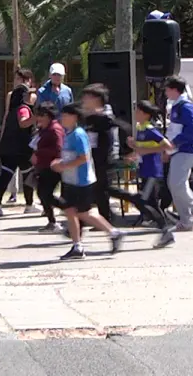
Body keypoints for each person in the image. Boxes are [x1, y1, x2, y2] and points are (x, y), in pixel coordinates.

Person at [54, 104, 123, 260]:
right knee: (73, 212)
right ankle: (79, 245)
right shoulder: (68, 134)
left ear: (74, 117)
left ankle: (112, 234)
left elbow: (83, 157)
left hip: (81, 181)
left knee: (81, 212)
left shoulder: (78, 134)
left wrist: (63, 165)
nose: (62, 118)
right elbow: (70, 156)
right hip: (70, 180)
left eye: (65, 115)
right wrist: (60, 163)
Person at [120, 100, 177, 247]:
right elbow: (142, 149)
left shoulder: (150, 129)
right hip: (144, 169)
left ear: (145, 114)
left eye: (138, 111)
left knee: (146, 202)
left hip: (153, 170)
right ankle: (166, 229)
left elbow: (167, 145)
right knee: (147, 202)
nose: (135, 114)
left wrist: (146, 151)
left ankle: (167, 229)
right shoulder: (141, 129)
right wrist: (133, 148)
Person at [162, 76, 193, 231]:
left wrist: (175, 142)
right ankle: (186, 220)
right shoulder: (177, 106)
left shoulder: (185, 106)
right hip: (179, 150)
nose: (165, 92)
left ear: (175, 89)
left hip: (186, 150)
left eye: (167, 88)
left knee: (177, 184)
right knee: (176, 184)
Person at [0, 69, 37, 216]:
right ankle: (29, 205)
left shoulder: (14, 105)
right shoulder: (23, 109)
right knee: (28, 174)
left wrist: (2, 138)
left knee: (5, 174)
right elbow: (23, 123)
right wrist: (36, 117)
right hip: (22, 146)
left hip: (9, 144)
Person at [80, 84, 121, 223]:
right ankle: (102, 218)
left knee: (103, 189)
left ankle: (106, 218)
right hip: (91, 157)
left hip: (104, 158)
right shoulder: (88, 116)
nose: (84, 99)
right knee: (97, 189)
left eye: (88, 97)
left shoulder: (104, 116)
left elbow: (114, 129)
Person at [32, 102, 66, 233]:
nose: (38, 118)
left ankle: (71, 210)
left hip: (53, 166)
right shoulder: (43, 129)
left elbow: (58, 149)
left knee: (45, 193)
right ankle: (52, 221)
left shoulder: (54, 129)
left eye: (41, 115)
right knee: (42, 193)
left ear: (48, 116)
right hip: (43, 165)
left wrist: (39, 153)